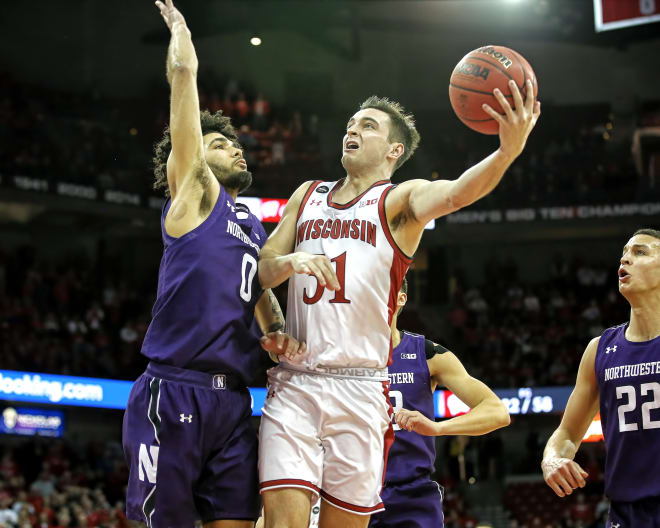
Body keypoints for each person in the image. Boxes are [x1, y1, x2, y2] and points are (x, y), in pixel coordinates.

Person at [257, 81, 540, 525]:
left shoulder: (398, 202)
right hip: (297, 382)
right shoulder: (306, 195)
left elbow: (456, 193)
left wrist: (506, 153)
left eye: (367, 126)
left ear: (393, 150)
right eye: (351, 124)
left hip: (363, 387)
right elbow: (261, 270)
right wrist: (291, 261)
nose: (352, 130)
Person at [122, 2, 303, 526]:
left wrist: (278, 331)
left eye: (236, 143)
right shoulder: (194, 196)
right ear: (195, 156)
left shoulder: (249, 223)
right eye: (220, 144)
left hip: (233, 401)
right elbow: (182, 75)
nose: (237, 149)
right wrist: (180, 34)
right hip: (175, 386)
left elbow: (256, 289)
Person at [369, 277, 509, 528]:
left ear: (401, 299)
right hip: (352, 492)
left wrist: (438, 428)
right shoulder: (338, 357)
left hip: (412, 494)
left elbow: (497, 411)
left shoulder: (428, 354)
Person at [541, 228, 660, 527]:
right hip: (625, 513)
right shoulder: (600, 350)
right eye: (624, 253)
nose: (626, 259)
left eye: (640, 252)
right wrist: (552, 459)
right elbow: (567, 434)